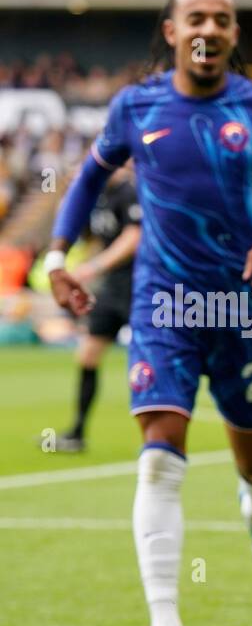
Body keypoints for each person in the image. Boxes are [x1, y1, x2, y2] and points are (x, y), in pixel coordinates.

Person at [42, 0, 252, 626]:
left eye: (223, 18)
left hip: (242, 310)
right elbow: (84, 180)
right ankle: (165, 625)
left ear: (232, 35)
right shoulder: (136, 107)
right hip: (163, 307)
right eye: (196, 15)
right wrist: (57, 255)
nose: (211, 26)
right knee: (160, 458)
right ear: (172, 31)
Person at [46, 167, 142, 453]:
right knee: (87, 354)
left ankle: (159, 440)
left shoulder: (129, 191)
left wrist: (94, 267)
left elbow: (134, 237)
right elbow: (99, 239)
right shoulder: (100, 196)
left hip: (143, 285)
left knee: (151, 359)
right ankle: (76, 432)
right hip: (113, 287)